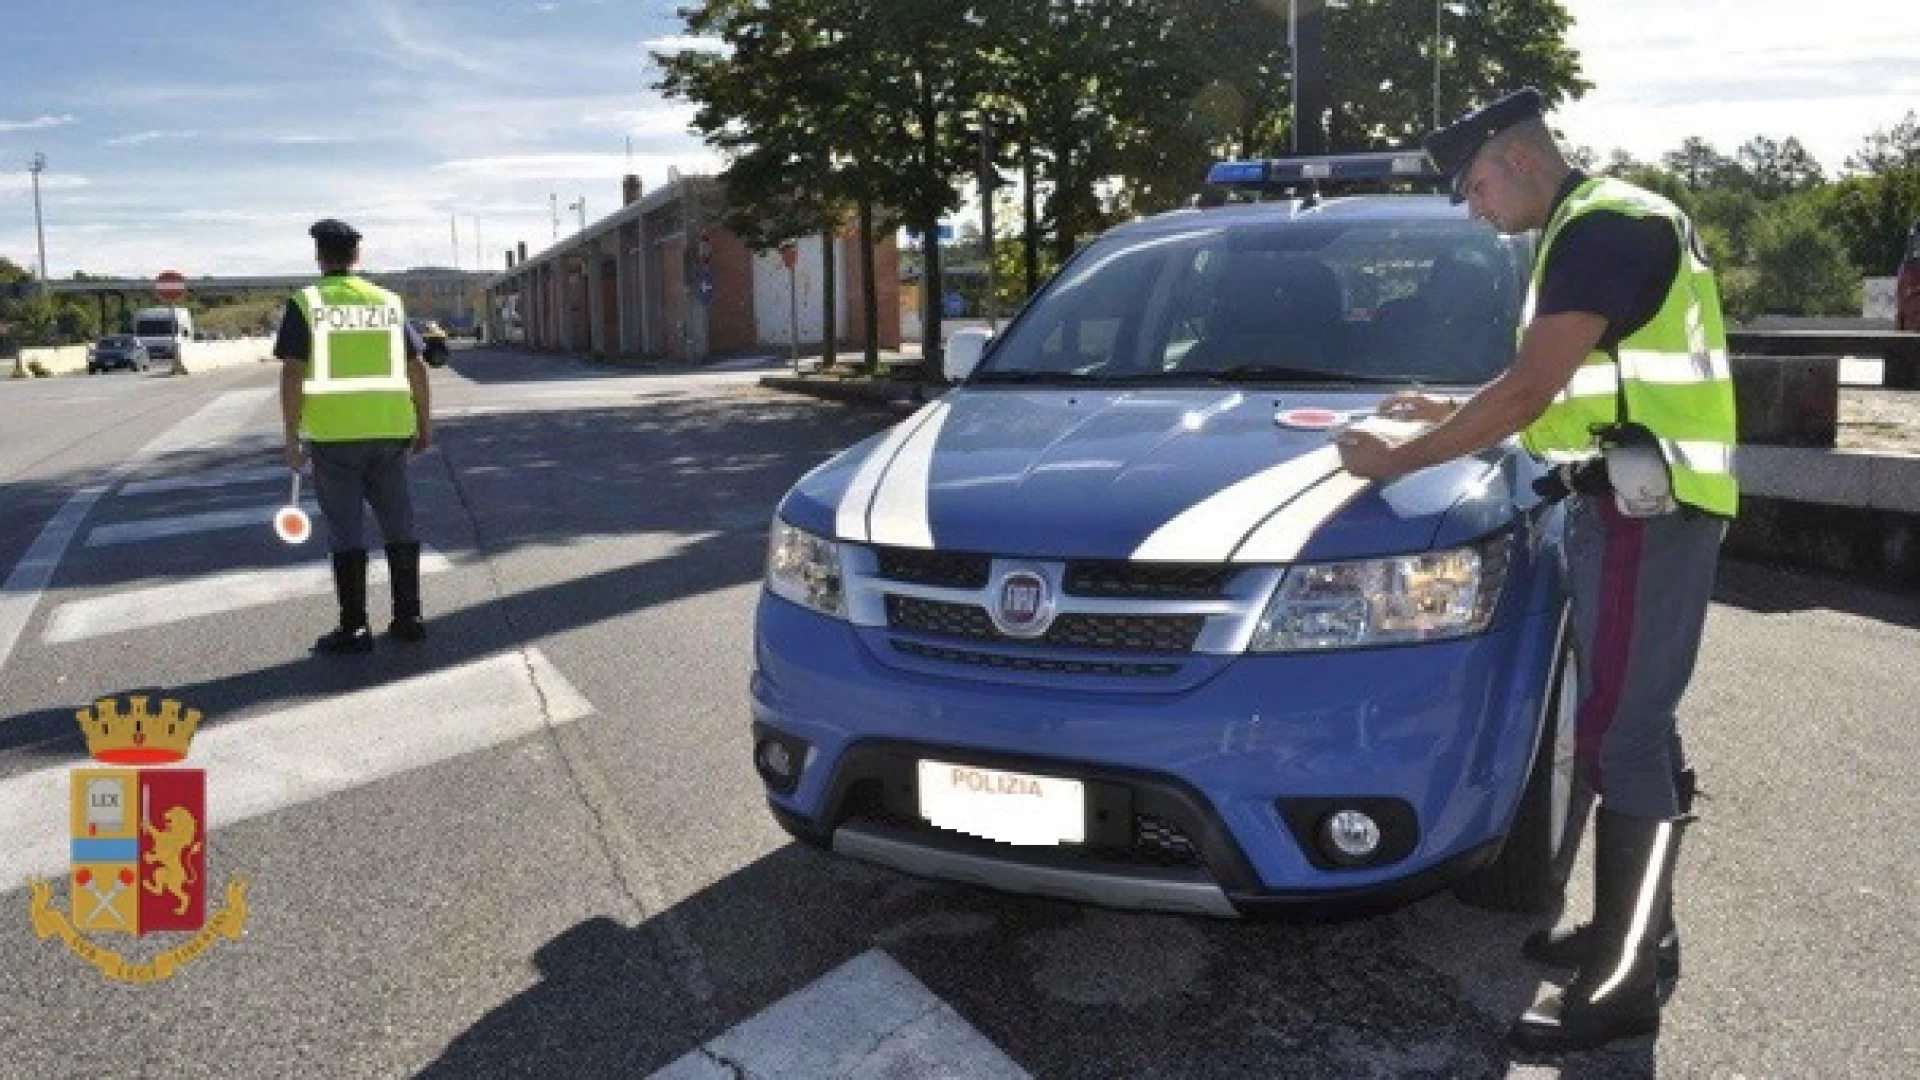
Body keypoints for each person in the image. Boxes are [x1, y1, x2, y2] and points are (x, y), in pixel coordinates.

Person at [1335, 89, 1737, 1055]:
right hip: (1636, 504)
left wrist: (1399, 455)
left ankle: (1624, 982)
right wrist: (1443, 403)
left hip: (1648, 509)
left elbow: (1528, 390)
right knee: (1631, 720)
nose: (1473, 208)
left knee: (1619, 732)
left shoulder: (1598, 228)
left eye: (1473, 185)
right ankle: (1638, 931)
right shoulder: (1604, 221)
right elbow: (1562, 389)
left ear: (1515, 158)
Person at [275, 218, 433, 654]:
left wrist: (291, 436)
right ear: (357, 257)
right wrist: (425, 420)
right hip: (389, 429)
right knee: (399, 521)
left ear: (319, 256)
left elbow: (292, 371)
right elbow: (415, 366)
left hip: (335, 437)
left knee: (346, 531)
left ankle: (355, 627)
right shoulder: (387, 302)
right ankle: (409, 616)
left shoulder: (306, 303)